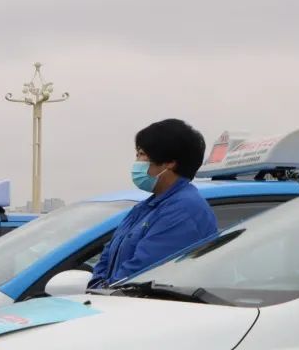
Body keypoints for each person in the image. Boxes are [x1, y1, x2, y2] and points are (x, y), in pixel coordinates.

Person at [89, 119, 218, 288]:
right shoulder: (147, 207)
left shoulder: (184, 209)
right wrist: (97, 287)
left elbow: (138, 274)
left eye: (142, 154)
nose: (137, 162)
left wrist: (104, 290)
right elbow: (106, 257)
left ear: (170, 162)